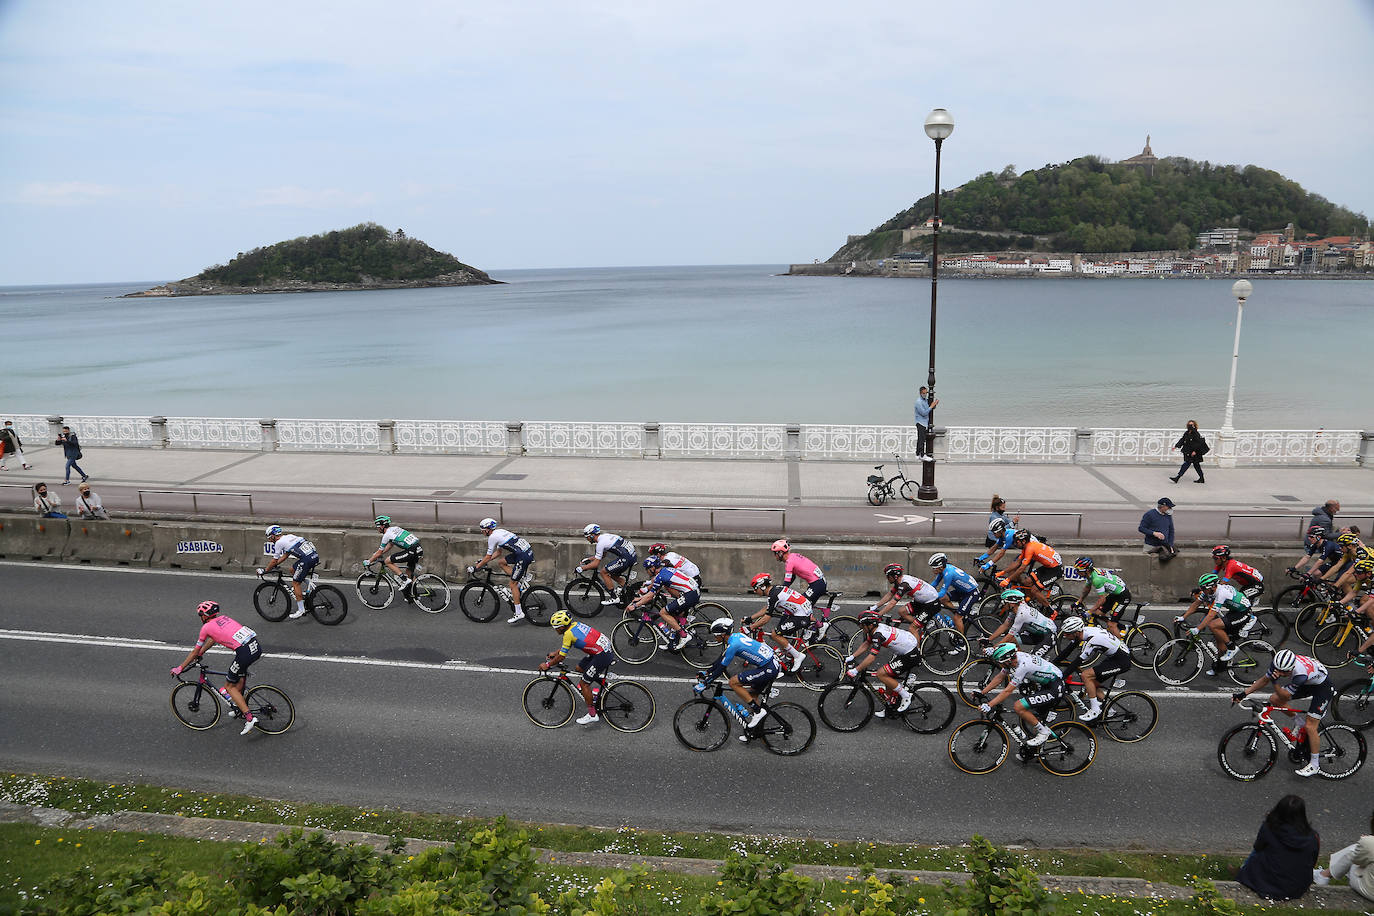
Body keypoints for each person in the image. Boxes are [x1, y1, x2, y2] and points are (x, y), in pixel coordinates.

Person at [1233, 650, 1332, 778]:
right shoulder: (1279, 664)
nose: (1280, 673)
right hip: (1309, 681)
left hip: (1322, 687)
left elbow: (1284, 695)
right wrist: (1244, 693)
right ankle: (1298, 723)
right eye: (1278, 670)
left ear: (1291, 668)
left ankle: (1314, 765)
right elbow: (1264, 680)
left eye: (1284, 672)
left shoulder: (1299, 674)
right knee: (1274, 700)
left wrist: (1275, 682)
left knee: (1310, 726)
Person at [170, 601, 262, 735]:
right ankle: (239, 705)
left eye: (200, 615)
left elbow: (195, 651)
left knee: (229, 686)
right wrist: (202, 653)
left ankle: (249, 718)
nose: (200, 618)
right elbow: (213, 639)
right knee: (239, 675)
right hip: (255, 647)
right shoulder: (223, 618)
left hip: (244, 653)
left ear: (204, 616)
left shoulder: (206, 628)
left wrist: (180, 667)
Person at [696, 617, 781, 739]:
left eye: (716, 635)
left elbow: (722, 668)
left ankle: (758, 712)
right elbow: (721, 659)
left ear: (723, 634)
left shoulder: (733, 646)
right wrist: (707, 672)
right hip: (771, 663)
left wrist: (707, 681)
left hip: (768, 668)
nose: (715, 638)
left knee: (733, 682)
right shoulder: (735, 637)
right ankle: (752, 730)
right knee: (753, 695)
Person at [976, 642, 1065, 747]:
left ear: (1008, 660)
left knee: (1019, 706)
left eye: (1000, 662)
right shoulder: (1015, 657)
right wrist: (982, 692)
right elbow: (1000, 677)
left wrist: (989, 705)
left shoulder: (1022, 666)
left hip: (1054, 687)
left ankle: (1043, 733)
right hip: (1046, 683)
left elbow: (1008, 691)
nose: (999, 665)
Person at [1236, 795, 1320, 901]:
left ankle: (1242, 870)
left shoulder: (1269, 828)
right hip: (1297, 887)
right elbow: (1313, 860)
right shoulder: (1313, 836)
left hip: (1266, 883)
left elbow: (1258, 847)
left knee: (1256, 853)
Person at [541, 611, 614, 726]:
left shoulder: (567, 634)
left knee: (584, 683)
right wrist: (555, 653)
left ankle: (592, 715)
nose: (555, 630)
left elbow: (562, 657)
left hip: (602, 655)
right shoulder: (575, 625)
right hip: (602, 650)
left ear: (563, 626)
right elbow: (566, 646)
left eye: (556, 628)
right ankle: (604, 685)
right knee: (579, 668)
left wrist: (548, 665)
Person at [1053, 616, 1131, 722]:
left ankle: (1095, 710)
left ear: (1076, 632)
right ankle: (1110, 710)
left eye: (1067, 633)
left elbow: (1077, 662)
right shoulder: (1083, 632)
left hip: (1122, 661)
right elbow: (1067, 650)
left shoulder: (1092, 640)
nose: (1065, 636)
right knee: (1092, 683)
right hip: (1115, 656)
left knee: (1086, 675)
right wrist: (1052, 665)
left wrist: (1061, 678)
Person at [1179, 572, 1257, 677]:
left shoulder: (1221, 593)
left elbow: (1211, 615)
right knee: (1220, 642)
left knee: (1213, 625)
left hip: (1243, 612)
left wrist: (1198, 629)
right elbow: (1196, 604)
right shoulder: (1208, 591)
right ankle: (1219, 667)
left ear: (1212, 587)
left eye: (1204, 588)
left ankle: (1232, 648)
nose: (1202, 590)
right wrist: (1183, 617)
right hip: (1234, 611)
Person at [844, 610, 917, 714]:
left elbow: (872, 657)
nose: (860, 627)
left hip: (909, 654)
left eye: (862, 625)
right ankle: (890, 706)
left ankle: (906, 695)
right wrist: (851, 656)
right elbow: (866, 643)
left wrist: (856, 670)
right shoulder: (875, 629)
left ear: (870, 625)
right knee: (888, 674)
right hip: (905, 647)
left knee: (881, 674)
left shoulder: (878, 635)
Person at [626, 555, 701, 651]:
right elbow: (651, 593)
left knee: (663, 612)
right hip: (693, 592)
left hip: (690, 595)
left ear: (652, 568)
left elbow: (650, 596)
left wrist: (635, 605)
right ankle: (672, 641)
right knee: (673, 616)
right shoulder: (666, 569)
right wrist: (639, 599)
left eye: (647, 569)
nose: (647, 572)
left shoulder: (660, 576)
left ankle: (684, 635)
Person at [471, 518, 535, 624]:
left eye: (482, 529)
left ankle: (519, 613)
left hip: (522, 556)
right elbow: (498, 553)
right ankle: (520, 578)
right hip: (525, 552)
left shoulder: (492, 537)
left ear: (487, 529)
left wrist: (477, 567)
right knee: (501, 562)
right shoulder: (500, 532)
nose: (482, 531)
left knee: (512, 584)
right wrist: (483, 561)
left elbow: (488, 556)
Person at [744, 572, 812, 670]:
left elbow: (766, 618)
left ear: (762, 587)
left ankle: (798, 656)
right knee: (781, 631)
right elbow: (767, 608)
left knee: (775, 634)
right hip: (802, 610)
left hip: (802, 616)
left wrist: (751, 627)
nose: (755, 591)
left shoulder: (774, 596)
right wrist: (751, 618)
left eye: (755, 588)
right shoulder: (775, 590)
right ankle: (788, 654)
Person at [259, 525, 321, 620]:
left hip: (306, 560)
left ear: (273, 536)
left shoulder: (279, 543)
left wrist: (265, 570)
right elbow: (285, 555)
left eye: (269, 537)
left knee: (295, 583)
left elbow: (274, 560)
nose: (270, 540)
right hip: (314, 556)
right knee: (292, 570)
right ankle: (308, 583)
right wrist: (274, 565)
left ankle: (301, 610)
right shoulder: (289, 537)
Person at [1312, 808, 1374, 900]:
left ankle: (1323, 875)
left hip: (1369, 891)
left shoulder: (1369, 842)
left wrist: (1363, 843)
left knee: (1353, 851)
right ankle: (1323, 875)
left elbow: (1357, 860)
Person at [997, 529, 1064, 610]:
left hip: (1055, 569)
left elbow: (1021, 568)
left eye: (1017, 542)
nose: (1015, 544)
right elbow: (1017, 563)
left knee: (1034, 590)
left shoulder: (1030, 548)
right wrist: (1003, 572)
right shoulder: (1026, 547)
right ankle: (1030, 601)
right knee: (1027, 582)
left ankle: (1051, 611)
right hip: (1048, 566)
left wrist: (1008, 579)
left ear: (1023, 541)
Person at [871, 563, 940, 637]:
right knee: (902, 611)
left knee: (912, 628)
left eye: (888, 576)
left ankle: (917, 648)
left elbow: (892, 603)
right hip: (921, 601)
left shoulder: (905, 585)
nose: (887, 578)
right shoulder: (900, 581)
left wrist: (879, 615)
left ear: (895, 576)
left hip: (931, 604)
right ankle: (922, 624)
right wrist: (875, 607)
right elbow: (890, 594)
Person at [984, 588, 1058, 654]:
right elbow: (1005, 625)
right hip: (1038, 631)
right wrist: (988, 640)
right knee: (1012, 641)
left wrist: (993, 649)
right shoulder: (1015, 609)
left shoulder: (1021, 615)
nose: (1002, 606)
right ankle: (1019, 661)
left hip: (1049, 635)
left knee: (1032, 660)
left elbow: (1009, 636)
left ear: (1011, 603)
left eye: (1004, 603)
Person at [578, 524, 637, 605]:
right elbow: (602, 555)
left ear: (591, 535)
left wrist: (582, 568)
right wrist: (589, 559)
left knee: (604, 572)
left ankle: (614, 598)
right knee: (611, 573)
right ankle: (628, 588)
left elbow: (595, 564)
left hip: (626, 558)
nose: (587, 539)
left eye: (587, 537)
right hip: (631, 555)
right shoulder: (605, 536)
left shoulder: (600, 543)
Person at [1073, 557, 1131, 638]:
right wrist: (1079, 601)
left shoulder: (1097, 579)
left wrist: (1089, 612)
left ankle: (1121, 648)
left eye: (1078, 570)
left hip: (1123, 597)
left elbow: (1102, 599)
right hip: (1114, 594)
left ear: (1086, 570)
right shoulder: (1090, 574)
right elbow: (1087, 588)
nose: (1077, 572)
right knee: (1098, 614)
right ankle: (1122, 627)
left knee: (1111, 625)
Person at [365, 516, 423, 593]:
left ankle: (404, 579)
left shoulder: (386, 535)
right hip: (418, 549)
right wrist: (377, 554)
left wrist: (369, 561)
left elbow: (380, 552)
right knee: (409, 573)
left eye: (378, 527)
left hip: (412, 551)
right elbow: (390, 545)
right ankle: (414, 595)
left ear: (382, 526)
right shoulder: (395, 528)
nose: (377, 529)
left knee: (387, 561)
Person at [928, 553, 979, 633]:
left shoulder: (949, 573)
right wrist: (923, 590)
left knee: (956, 618)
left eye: (934, 568)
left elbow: (942, 591)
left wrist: (929, 597)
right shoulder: (943, 570)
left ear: (940, 567)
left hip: (971, 593)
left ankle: (962, 641)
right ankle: (960, 613)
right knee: (943, 599)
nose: (933, 570)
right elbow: (935, 583)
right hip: (962, 591)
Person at [772, 538, 828, 609]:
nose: (774, 556)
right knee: (805, 608)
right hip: (818, 582)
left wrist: (779, 593)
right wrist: (784, 588)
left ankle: (808, 619)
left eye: (775, 553)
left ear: (780, 553)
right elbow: (792, 577)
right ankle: (809, 619)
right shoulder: (793, 555)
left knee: (801, 605)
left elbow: (787, 582)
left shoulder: (789, 563)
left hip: (817, 585)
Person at [913, 385, 938, 460]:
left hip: (924, 423)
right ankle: (922, 455)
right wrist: (931, 406)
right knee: (922, 439)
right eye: (923, 393)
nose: (925, 394)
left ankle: (918, 454)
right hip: (920, 423)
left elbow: (930, 407)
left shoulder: (925, 400)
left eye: (926, 393)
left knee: (921, 438)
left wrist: (934, 404)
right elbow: (924, 413)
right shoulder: (918, 402)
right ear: (920, 393)